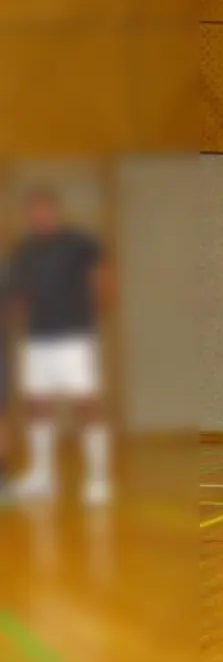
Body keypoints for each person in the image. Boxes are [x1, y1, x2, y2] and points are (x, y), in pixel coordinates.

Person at [7, 188, 114, 504]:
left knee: (86, 403)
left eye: (45, 210)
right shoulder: (24, 250)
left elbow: (104, 280)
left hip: (74, 338)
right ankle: (43, 478)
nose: (39, 217)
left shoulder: (79, 244)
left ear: (55, 211)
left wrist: (94, 315)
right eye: (33, 212)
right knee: (36, 404)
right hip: (37, 339)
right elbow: (17, 295)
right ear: (28, 217)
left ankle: (98, 479)